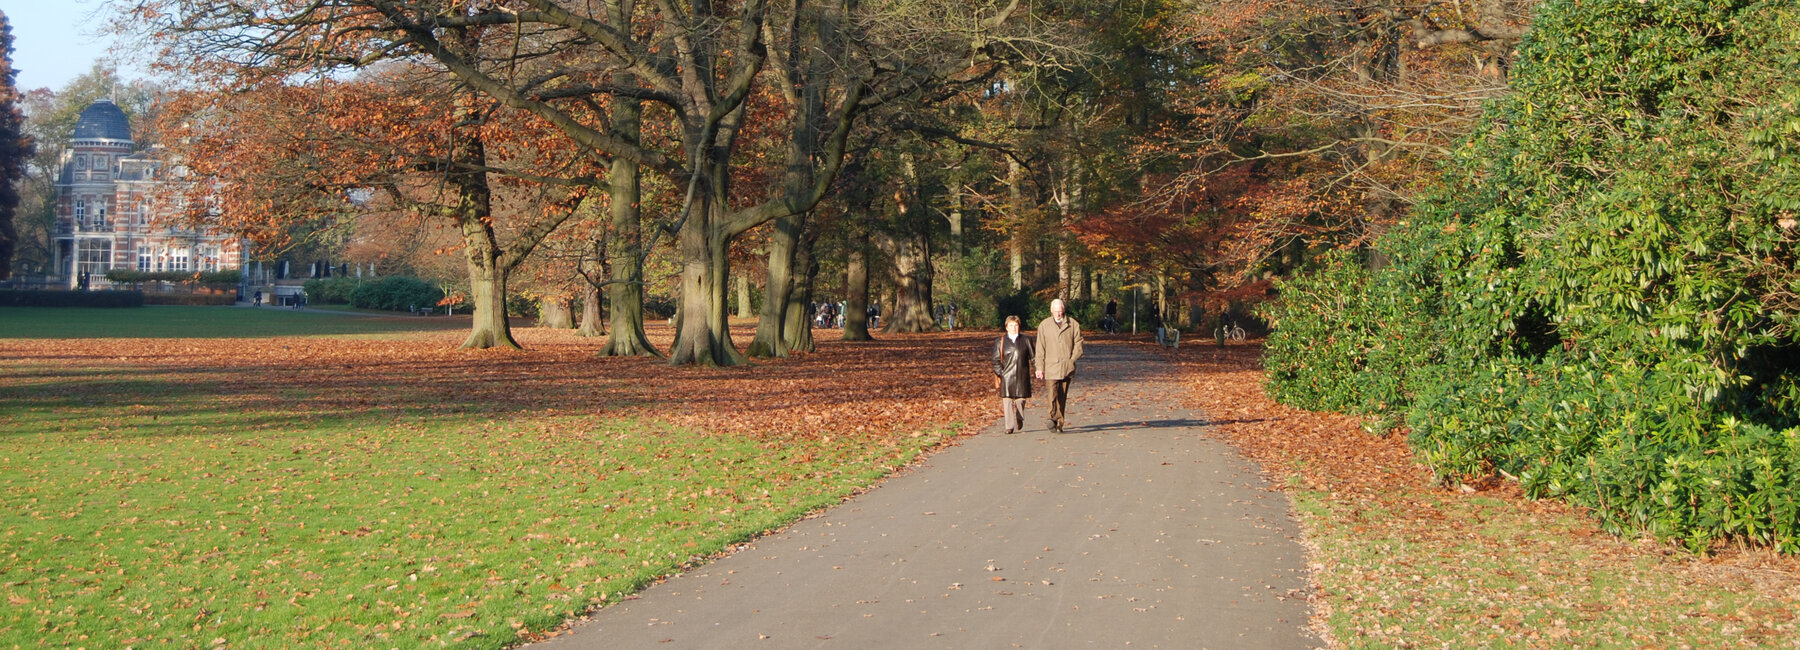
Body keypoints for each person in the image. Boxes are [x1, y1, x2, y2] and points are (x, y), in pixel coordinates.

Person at [1034, 298, 1085, 433]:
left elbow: (1079, 345)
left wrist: (1072, 359)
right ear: (1051, 310)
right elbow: (1040, 348)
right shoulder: (1044, 325)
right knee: (1052, 393)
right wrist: (1039, 367)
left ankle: (1059, 423)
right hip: (1050, 366)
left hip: (1066, 366)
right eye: (1055, 311)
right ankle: (1051, 417)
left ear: (1063, 310)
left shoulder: (1073, 324)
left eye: (1060, 311)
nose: (1058, 314)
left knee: (1062, 395)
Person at [991, 315, 1034, 434]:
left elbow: (1033, 357)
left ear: (1019, 326)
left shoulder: (1026, 340)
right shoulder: (1000, 341)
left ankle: (1020, 417)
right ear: (1006, 327)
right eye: (1011, 325)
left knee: (1020, 400)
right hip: (1007, 375)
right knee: (1007, 401)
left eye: (1016, 325)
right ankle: (1009, 426)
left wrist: (1038, 369)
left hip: (1022, 374)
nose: (1013, 328)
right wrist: (1001, 373)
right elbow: (995, 360)